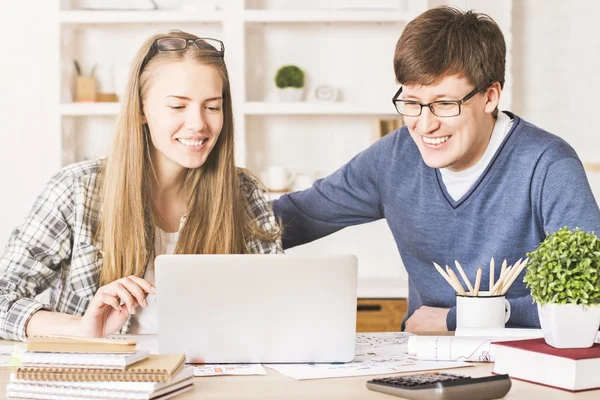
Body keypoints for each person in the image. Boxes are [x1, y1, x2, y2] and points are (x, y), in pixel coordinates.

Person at [273, 6, 600, 332]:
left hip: (522, 366)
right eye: (412, 103)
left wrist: (457, 318)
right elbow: (296, 216)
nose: (425, 125)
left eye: (445, 104)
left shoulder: (548, 166)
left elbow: (591, 296)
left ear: (490, 96)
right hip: (422, 365)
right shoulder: (393, 158)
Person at [0, 30, 282, 341]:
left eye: (212, 107)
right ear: (140, 110)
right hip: (104, 382)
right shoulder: (77, 190)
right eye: (178, 106)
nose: (198, 123)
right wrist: (79, 329)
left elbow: (276, 303)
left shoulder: (244, 192)